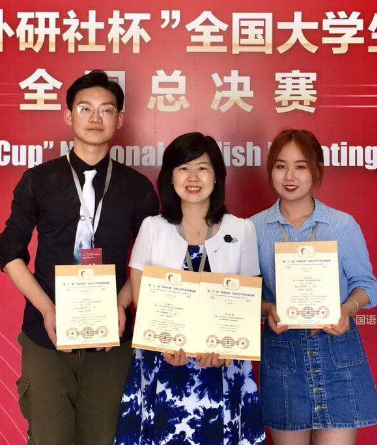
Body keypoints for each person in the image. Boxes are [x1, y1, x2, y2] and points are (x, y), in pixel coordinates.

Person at [0, 70, 159, 445]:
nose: (95, 117)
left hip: (111, 339)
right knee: (49, 438)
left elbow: (150, 260)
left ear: (120, 119)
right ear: (68, 115)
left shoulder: (137, 188)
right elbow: (10, 252)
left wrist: (122, 304)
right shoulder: (39, 180)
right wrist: (47, 310)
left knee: (104, 438)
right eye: (85, 108)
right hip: (47, 337)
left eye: (106, 109)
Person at [114, 132, 265, 445]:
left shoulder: (242, 229)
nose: (193, 177)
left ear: (217, 176)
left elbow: (248, 302)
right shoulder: (152, 227)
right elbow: (141, 297)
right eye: (183, 168)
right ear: (170, 177)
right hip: (162, 363)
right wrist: (164, 343)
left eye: (203, 168)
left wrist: (226, 349)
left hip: (224, 367)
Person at [250, 129, 377, 445]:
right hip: (283, 356)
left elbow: (366, 286)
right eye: (281, 166)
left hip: (337, 352)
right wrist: (268, 309)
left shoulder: (342, 225)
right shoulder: (252, 229)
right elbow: (246, 294)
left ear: (317, 170)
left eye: (301, 166)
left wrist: (346, 310)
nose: (289, 176)